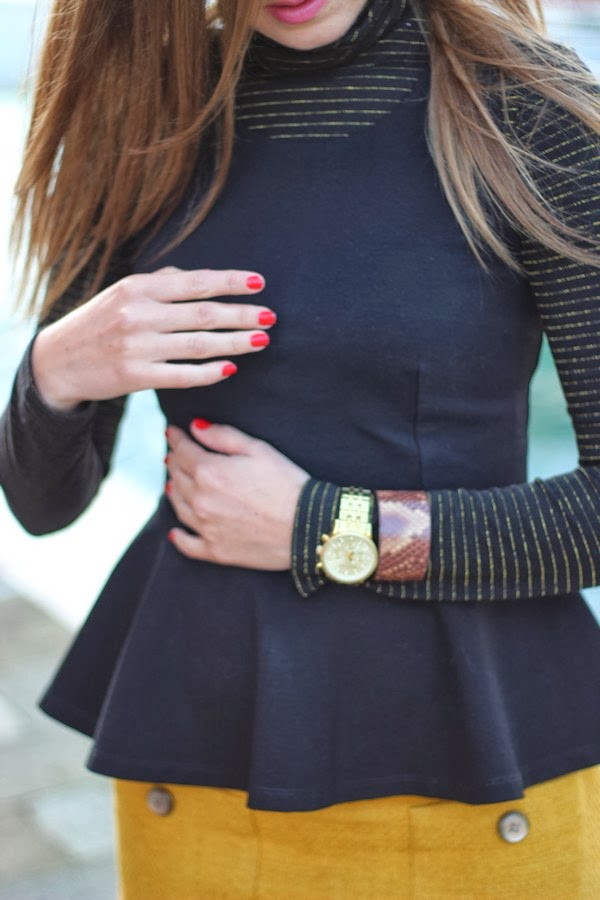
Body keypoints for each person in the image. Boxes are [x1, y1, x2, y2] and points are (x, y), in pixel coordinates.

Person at [1, 0, 599, 896]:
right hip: (194, 751)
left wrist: (325, 528)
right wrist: (54, 371)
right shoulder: (149, 110)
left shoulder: (523, 106)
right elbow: (46, 506)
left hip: (471, 762)